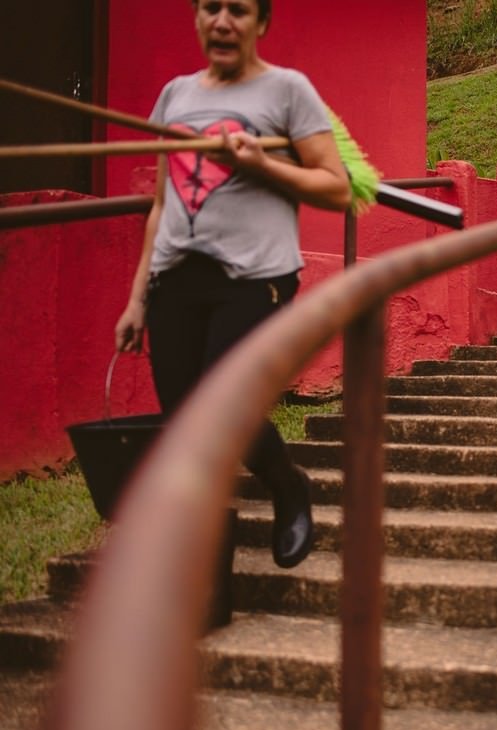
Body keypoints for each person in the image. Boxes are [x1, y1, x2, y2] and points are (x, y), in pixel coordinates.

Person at [114, 0, 351, 569]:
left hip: (255, 277)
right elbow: (161, 205)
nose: (223, 20)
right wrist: (136, 298)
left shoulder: (287, 91)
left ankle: (287, 487)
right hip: (175, 276)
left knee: (220, 404)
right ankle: (201, 550)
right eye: (210, 7)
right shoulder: (175, 97)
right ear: (197, 19)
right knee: (181, 416)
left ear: (260, 24)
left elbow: (337, 188)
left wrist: (261, 166)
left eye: (239, 10)